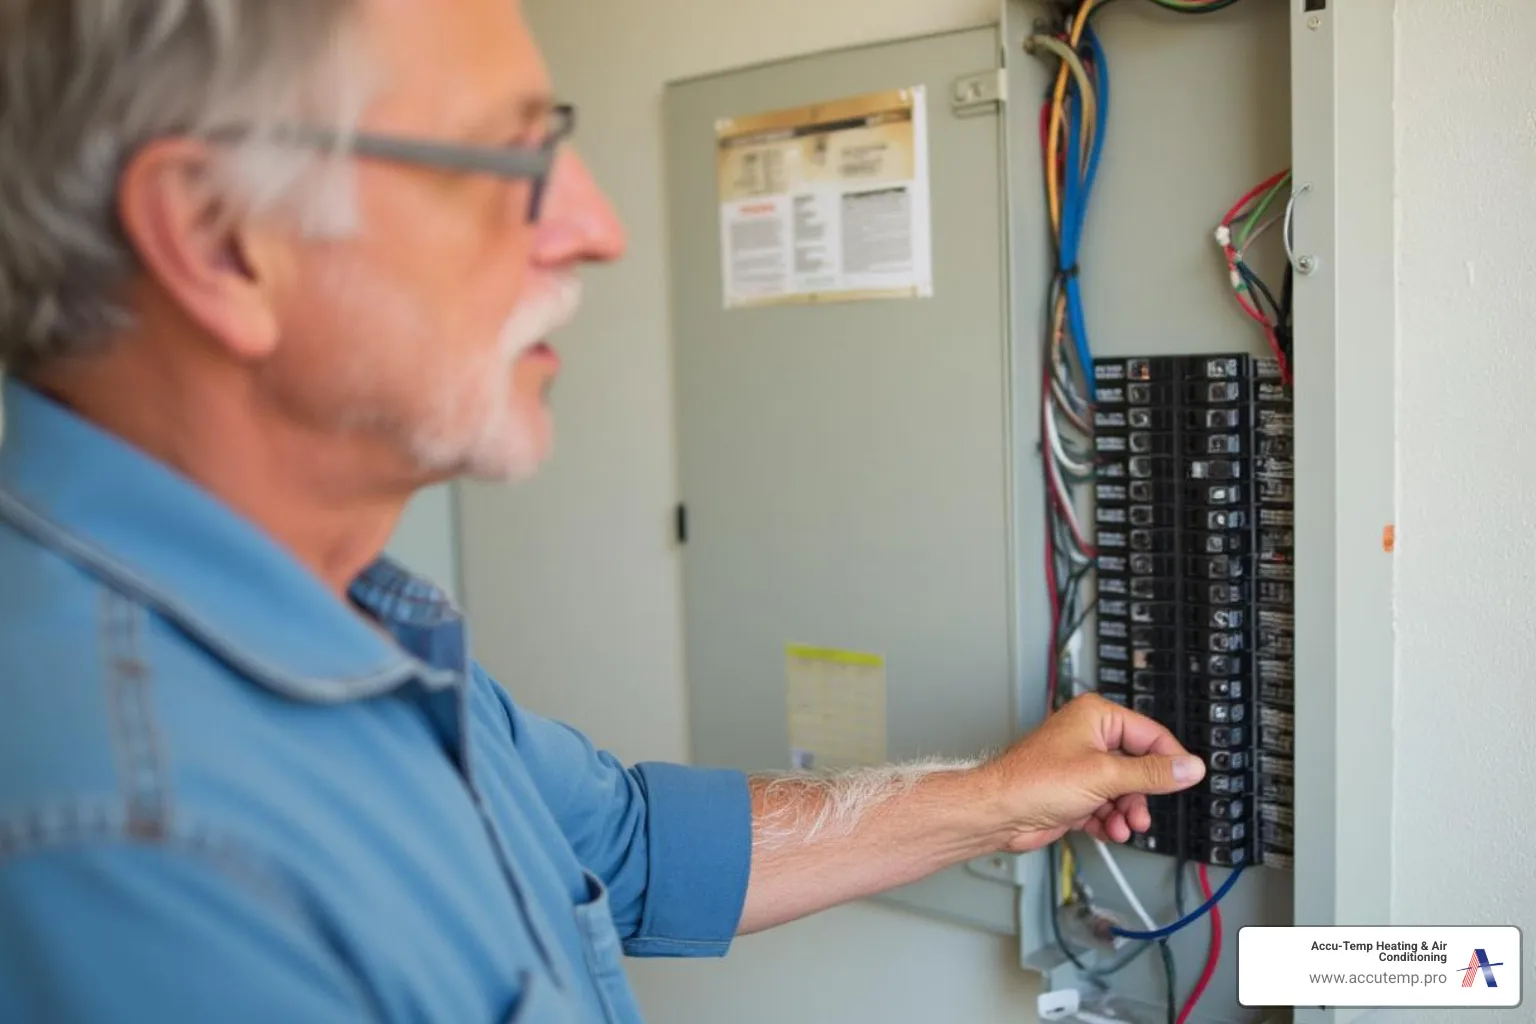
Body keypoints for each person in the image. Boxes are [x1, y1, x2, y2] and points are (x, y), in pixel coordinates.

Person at [0, 2, 1207, 1021]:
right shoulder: (129, 842)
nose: (599, 229)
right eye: (512, 162)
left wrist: (999, 801)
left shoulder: (348, 622)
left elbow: (626, 848)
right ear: (220, 241)